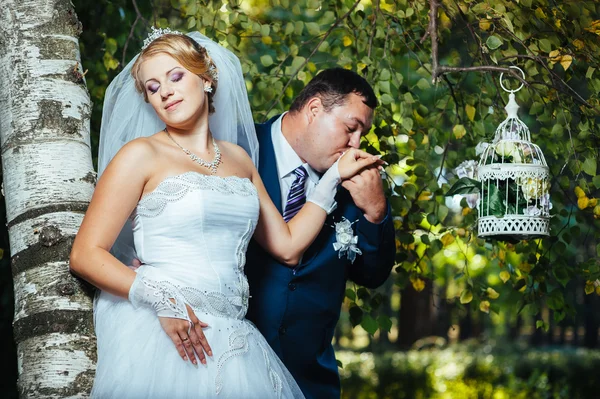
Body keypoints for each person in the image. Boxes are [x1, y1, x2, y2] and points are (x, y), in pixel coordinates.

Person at [69, 29, 383, 398]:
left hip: (233, 340)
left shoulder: (238, 158)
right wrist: (162, 300)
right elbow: (85, 255)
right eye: (152, 88)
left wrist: (331, 179)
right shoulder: (140, 155)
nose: (165, 92)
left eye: (175, 76)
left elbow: (288, 246)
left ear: (205, 78)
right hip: (164, 329)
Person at [245, 68, 396, 398]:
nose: (355, 144)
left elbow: (373, 274)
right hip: (233, 371)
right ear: (314, 109)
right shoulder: (240, 151)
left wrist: (375, 211)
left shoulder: (356, 180)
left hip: (311, 383)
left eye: (362, 134)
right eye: (350, 128)